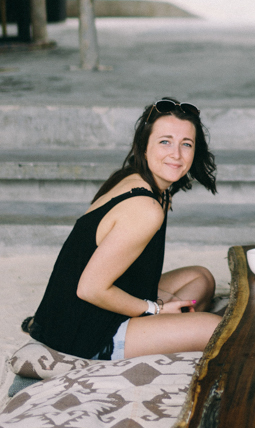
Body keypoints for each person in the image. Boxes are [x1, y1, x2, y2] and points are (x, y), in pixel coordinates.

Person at [26, 98, 221, 361]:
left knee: (201, 279)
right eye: (165, 141)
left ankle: (168, 332)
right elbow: (90, 289)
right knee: (216, 330)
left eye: (186, 144)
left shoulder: (137, 180)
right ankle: (160, 336)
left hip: (73, 312)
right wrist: (154, 309)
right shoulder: (145, 207)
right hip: (84, 334)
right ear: (144, 146)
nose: (176, 154)